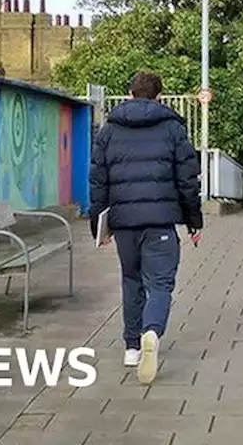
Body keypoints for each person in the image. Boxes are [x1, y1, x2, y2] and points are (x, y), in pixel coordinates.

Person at [89, 70, 203, 385]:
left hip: (123, 222)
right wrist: (194, 221)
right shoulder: (172, 128)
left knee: (131, 279)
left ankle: (130, 346)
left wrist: (98, 224)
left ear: (129, 95)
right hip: (161, 220)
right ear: (159, 97)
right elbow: (187, 178)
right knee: (161, 284)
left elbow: (98, 180)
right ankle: (152, 331)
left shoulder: (109, 130)